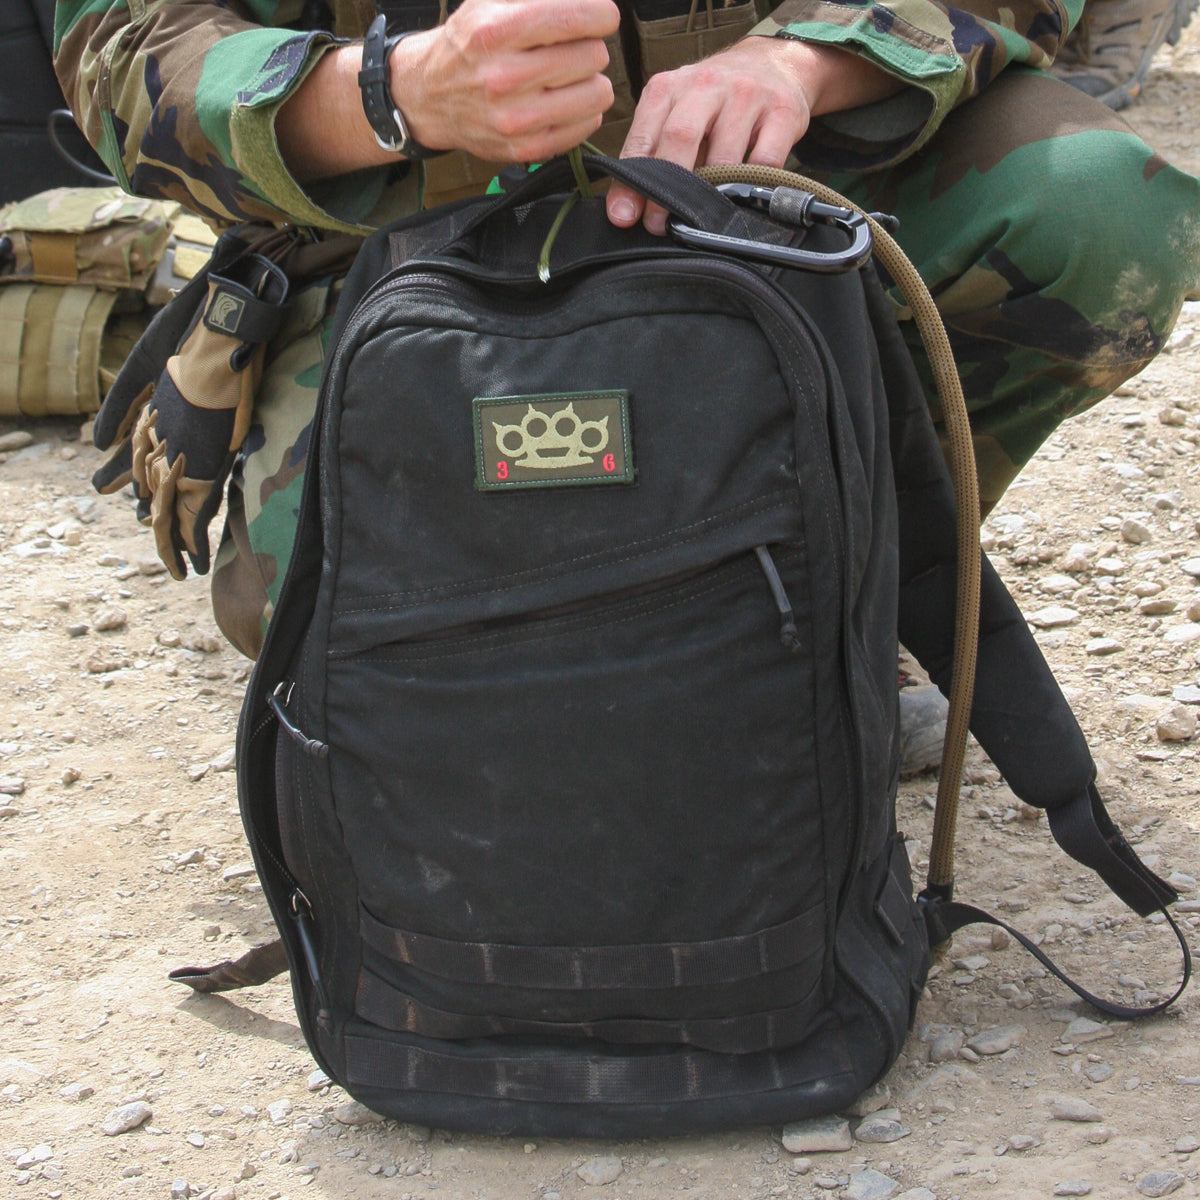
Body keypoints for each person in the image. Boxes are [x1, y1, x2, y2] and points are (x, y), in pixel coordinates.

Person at [54, 0, 1200, 691]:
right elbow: (120, 44)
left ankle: (835, 592)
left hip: (779, 185)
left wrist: (806, 59)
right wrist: (392, 92)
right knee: (321, 601)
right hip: (402, 238)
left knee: (1096, 218)